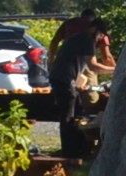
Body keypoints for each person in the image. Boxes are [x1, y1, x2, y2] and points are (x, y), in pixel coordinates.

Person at [47, 11, 117, 164]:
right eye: (100, 35)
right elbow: (93, 67)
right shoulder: (87, 40)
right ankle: (70, 152)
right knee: (68, 115)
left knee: (77, 110)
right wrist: (116, 70)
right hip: (63, 79)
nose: (100, 39)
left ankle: (79, 148)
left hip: (62, 77)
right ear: (96, 31)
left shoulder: (78, 38)